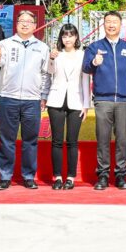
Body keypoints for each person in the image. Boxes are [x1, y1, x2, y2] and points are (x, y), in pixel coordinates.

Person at [0, 9, 49, 190]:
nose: (25, 24)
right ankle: (5, 176)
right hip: (9, 98)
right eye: (21, 20)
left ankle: (28, 176)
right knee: (7, 139)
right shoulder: (5, 44)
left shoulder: (42, 47)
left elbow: (45, 73)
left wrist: (43, 96)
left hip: (32, 100)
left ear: (35, 25)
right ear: (16, 24)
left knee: (30, 140)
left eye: (28, 21)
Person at [82, 11, 126, 190]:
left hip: (124, 100)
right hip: (103, 99)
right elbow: (85, 68)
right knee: (103, 139)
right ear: (103, 24)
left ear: (121, 25)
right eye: (108, 22)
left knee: (122, 139)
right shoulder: (94, 47)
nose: (111, 25)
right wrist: (94, 62)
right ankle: (103, 175)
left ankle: (121, 175)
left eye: (115, 22)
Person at [43, 24, 91, 190]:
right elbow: (49, 72)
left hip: (76, 100)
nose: (67, 39)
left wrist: (86, 105)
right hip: (56, 100)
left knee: (72, 141)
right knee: (56, 141)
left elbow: (86, 80)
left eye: (70, 35)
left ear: (76, 37)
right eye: (64, 36)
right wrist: (51, 58)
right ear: (61, 38)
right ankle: (57, 177)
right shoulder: (57, 54)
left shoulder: (83, 55)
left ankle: (70, 177)